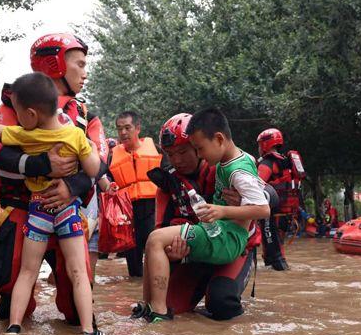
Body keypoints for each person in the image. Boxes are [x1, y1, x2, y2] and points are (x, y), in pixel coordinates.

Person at [0, 73, 101, 335]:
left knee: (27, 272)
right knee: (79, 272)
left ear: (30, 114)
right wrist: (91, 149)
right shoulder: (75, 134)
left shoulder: (26, 135)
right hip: (67, 211)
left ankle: (14, 327)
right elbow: (94, 169)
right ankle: (88, 330)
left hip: (37, 210)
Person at [137, 108, 270, 322]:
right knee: (171, 307)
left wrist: (242, 201)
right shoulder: (167, 186)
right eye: (170, 154)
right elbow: (159, 236)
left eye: (183, 152)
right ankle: (153, 310)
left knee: (221, 303)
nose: (177, 160)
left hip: (235, 248)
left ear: (197, 146)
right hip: (196, 251)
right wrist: (172, 253)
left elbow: (268, 197)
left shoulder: (223, 165)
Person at [30, 33, 110, 280]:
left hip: (72, 210)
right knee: (14, 289)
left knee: (76, 294)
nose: (85, 74)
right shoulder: (17, 106)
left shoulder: (87, 116)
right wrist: (42, 164)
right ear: (54, 65)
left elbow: (101, 163)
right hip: (27, 209)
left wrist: (72, 186)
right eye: (80, 65)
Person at [108, 111, 162, 277]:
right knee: (133, 266)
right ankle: (135, 288)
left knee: (155, 251)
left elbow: (169, 175)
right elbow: (105, 178)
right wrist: (109, 186)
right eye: (119, 129)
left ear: (138, 128)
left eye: (127, 128)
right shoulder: (113, 155)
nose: (123, 132)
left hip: (151, 208)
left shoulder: (155, 150)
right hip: (126, 212)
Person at [256, 128, 305, 271]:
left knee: (275, 253)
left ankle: (282, 271)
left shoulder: (267, 163)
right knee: (276, 246)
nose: (259, 148)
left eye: (259, 145)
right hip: (287, 214)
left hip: (273, 213)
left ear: (265, 144)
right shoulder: (287, 162)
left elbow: (256, 186)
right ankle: (280, 271)